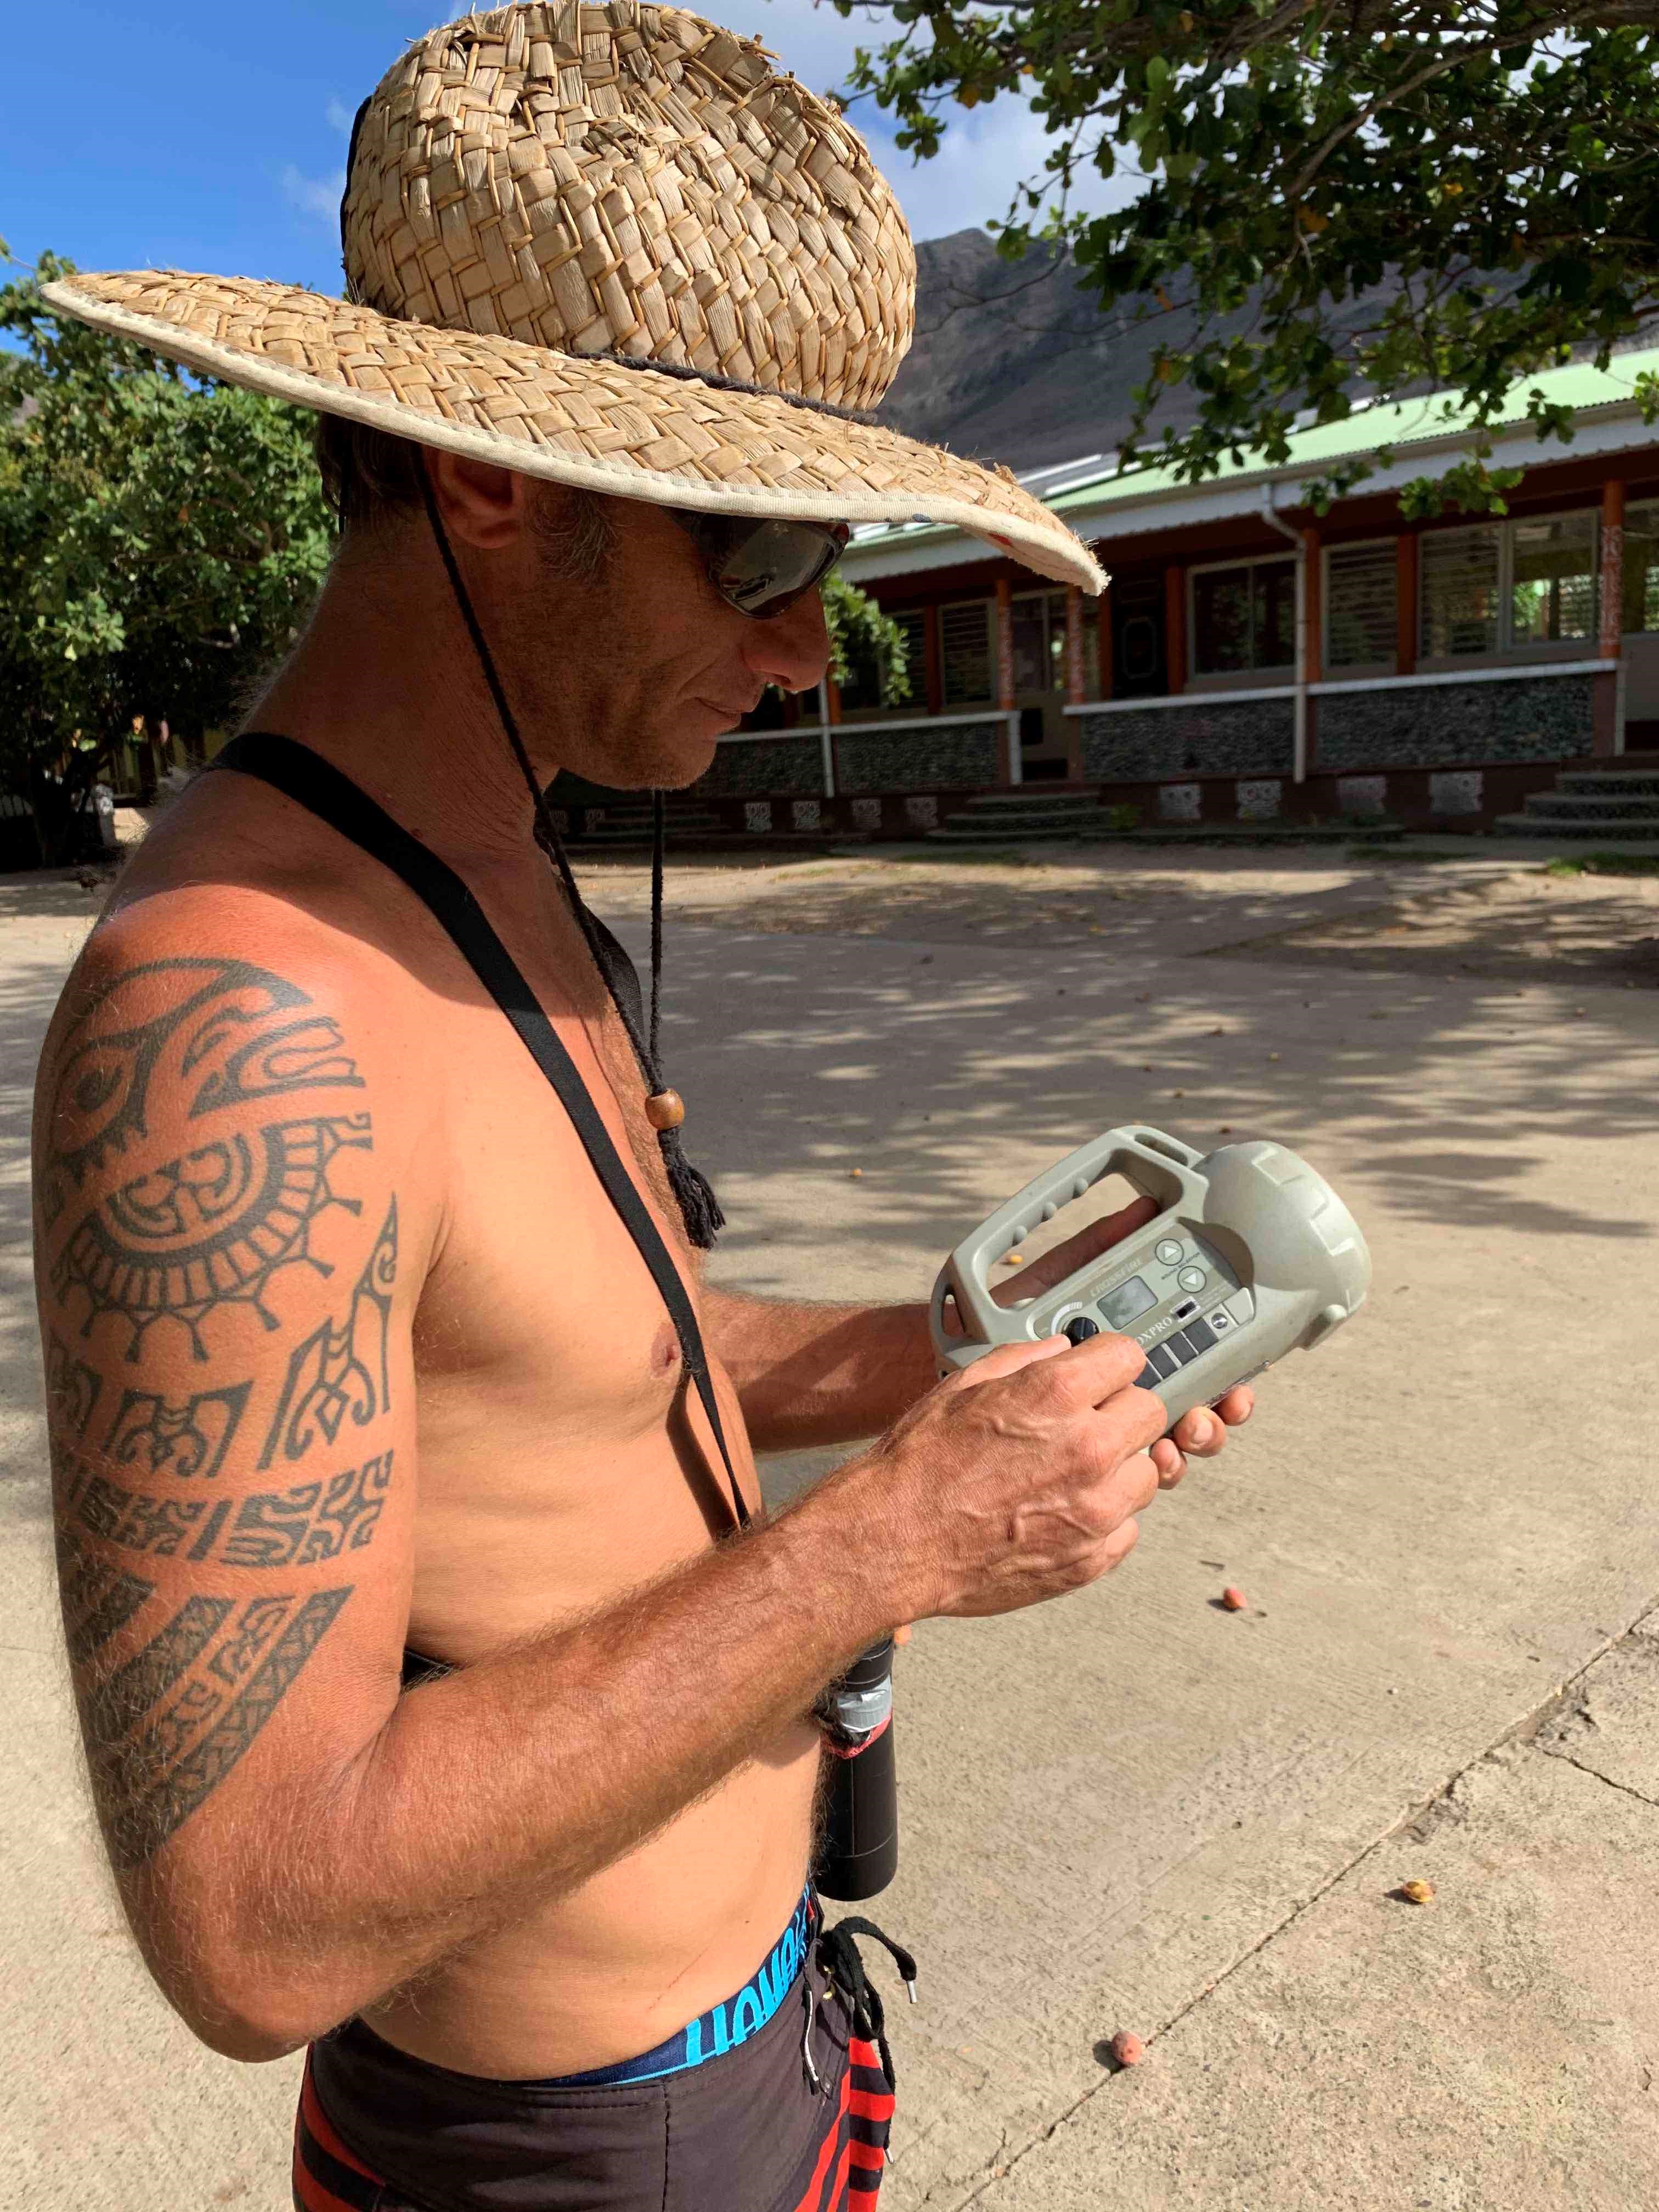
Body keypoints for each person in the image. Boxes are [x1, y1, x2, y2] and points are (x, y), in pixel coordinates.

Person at [32, 9, 1252, 2209]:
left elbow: (602, 1363)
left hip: (761, 2037)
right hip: (563, 2158)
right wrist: (890, 1542)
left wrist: (943, 1360)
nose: (807, 654)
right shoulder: (239, 1020)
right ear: (497, 482)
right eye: (759, 563)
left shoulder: (498, 858)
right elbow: (255, 1919)